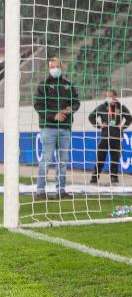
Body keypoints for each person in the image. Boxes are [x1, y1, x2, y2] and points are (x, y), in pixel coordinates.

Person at [34, 58, 80, 199]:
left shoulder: (68, 85)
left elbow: (76, 102)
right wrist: (53, 116)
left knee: (63, 161)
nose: (55, 69)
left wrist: (70, 109)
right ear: (49, 69)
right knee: (46, 160)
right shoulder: (43, 86)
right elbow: (38, 106)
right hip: (49, 128)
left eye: (57, 66)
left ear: (61, 67)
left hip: (65, 127)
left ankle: (61, 190)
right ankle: (40, 191)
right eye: (52, 66)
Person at [88, 89, 132, 185]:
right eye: (107, 96)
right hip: (105, 135)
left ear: (115, 96)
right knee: (100, 157)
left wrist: (123, 126)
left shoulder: (121, 107)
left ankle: (114, 177)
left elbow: (129, 118)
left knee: (115, 158)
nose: (108, 98)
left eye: (110, 96)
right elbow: (91, 117)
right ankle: (95, 176)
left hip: (116, 135)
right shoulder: (102, 107)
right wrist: (99, 125)